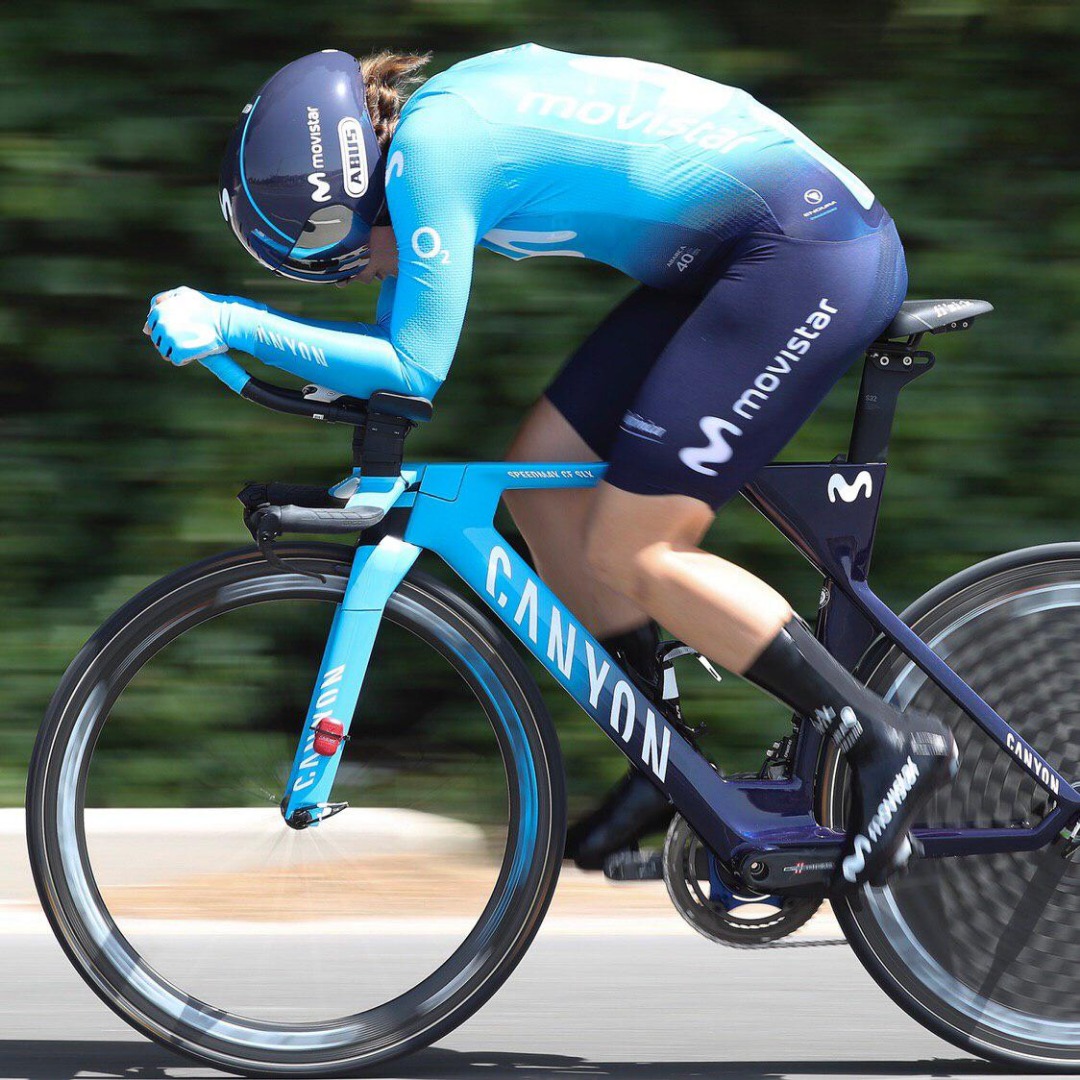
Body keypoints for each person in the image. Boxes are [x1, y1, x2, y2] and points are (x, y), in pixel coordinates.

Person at [144, 44, 958, 889]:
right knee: (545, 480)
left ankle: (888, 740)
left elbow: (413, 365)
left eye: (330, 249)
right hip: (742, 254)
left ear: (351, 192)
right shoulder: (429, 140)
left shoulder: (433, 160)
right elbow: (394, 367)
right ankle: (664, 761)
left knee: (638, 547)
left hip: (804, 251)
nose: (348, 273)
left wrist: (233, 319)